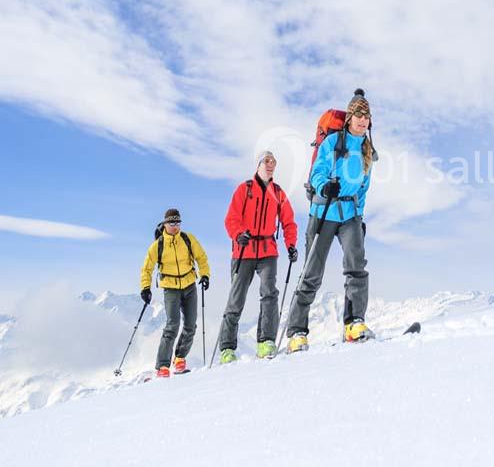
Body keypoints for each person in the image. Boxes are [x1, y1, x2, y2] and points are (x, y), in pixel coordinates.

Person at [286, 89, 376, 352]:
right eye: (358, 114)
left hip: (349, 214)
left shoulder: (368, 151)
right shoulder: (333, 142)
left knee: (356, 266)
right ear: (349, 117)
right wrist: (324, 187)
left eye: (366, 116)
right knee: (312, 271)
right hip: (324, 211)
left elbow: (363, 187)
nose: (362, 120)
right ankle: (296, 332)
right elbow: (318, 171)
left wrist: (359, 214)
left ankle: (353, 322)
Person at [220, 150, 298, 362]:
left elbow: (288, 221)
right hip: (244, 250)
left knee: (269, 294)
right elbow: (231, 219)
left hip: (267, 250)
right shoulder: (244, 189)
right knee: (236, 298)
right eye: (267, 160)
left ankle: (266, 342)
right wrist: (238, 234)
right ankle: (227, 348)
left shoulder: (278, 193)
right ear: (258, 164)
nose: (271, 164)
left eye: (274, 161)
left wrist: (291, 245)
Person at [140, 208, 211, 378]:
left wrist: (205, 275)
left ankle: (179, 359)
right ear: (165, 224)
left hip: (189, 285)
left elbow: (201, 257)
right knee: (172, 325)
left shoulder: (187, 239)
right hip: (170, 288)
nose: (175, 226)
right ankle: (162, 367)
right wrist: (145, 288)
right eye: (172, 222)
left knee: (191, 325)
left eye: (178, 222)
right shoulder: (158, 245)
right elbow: (147, 268)